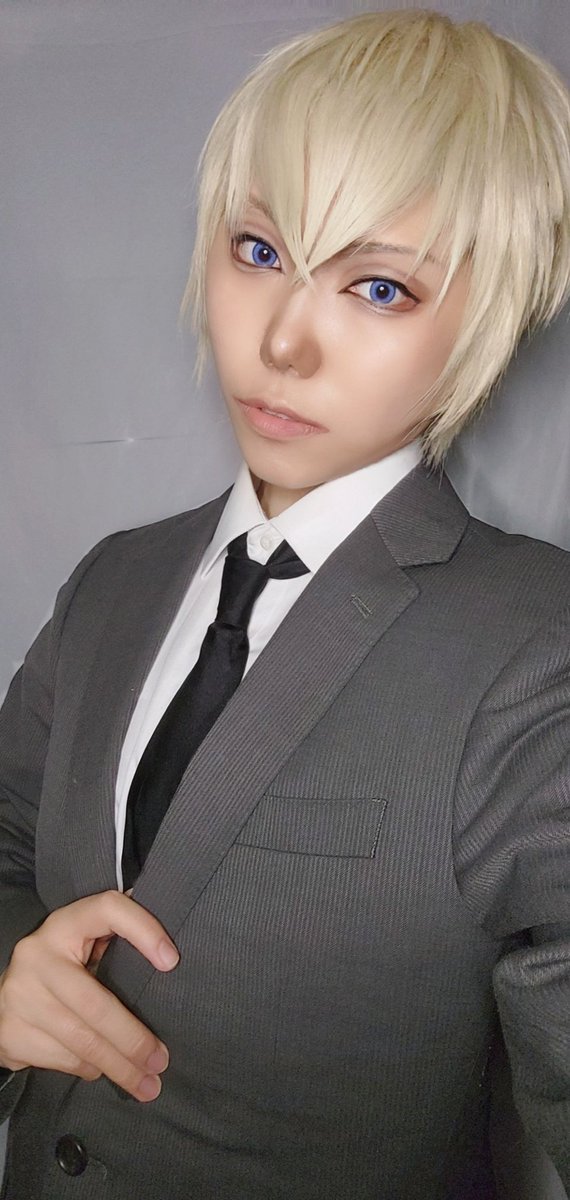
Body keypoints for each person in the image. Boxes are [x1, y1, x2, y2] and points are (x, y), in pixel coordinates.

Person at [1, 9, 570, 1199]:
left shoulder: (539, 649)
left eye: (379, 286)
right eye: (259, 251)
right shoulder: (114, 582)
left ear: (492, 314)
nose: (284, 343)